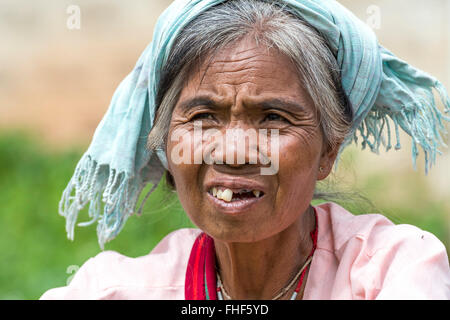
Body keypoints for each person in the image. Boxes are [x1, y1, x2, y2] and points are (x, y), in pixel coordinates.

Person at [40, 0, 450, 300]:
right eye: (203, 116)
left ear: (328, 149)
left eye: (273, 118)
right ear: (166, 143)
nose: (234, 152)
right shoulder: (110, 291)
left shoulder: (393, 272)